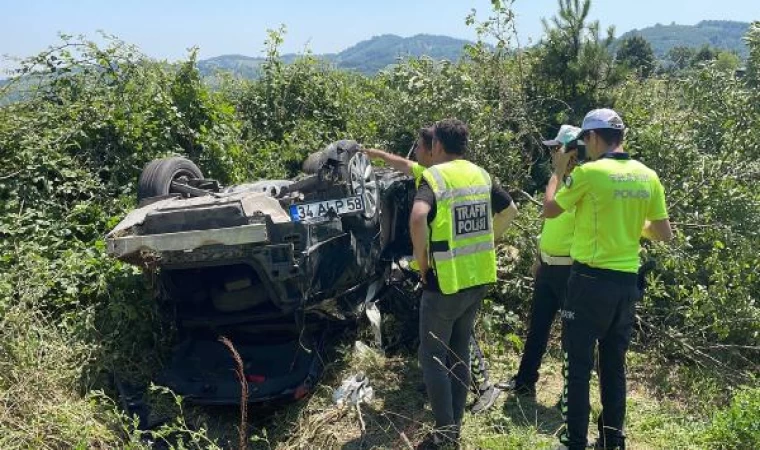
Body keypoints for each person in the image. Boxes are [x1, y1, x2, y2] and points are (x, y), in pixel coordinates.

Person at [543, 109, 673, 450]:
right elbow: (663, 233)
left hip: (588, 281)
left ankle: (574, 440)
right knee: (614, 364)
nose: (585, 146)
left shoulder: (588, 173)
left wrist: (558, 171)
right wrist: (630, 226)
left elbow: (551, 209)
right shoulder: (648, 176)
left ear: (595, 137)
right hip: (627, 284)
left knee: (579, 364)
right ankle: (613, 438)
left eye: (585, 140)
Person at [364, 127, 517, 414]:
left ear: (436, 144)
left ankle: (444, 432)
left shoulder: (435, 178)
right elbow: (510, 211)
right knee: (459, 353)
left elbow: (418, 217)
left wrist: (422, 262)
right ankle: (454, 426)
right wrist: (488, 242)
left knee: (433, 357)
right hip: (478, 277)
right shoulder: (479, 174)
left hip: (444, 281)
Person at [501, 125, 581, 399]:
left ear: (570, 152)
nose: (552, 155)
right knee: (537, 327)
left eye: (556, 149)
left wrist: (557, 173)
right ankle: (525, 382)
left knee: (573, 337)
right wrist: (539, 257)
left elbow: (551, 213)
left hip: (570, 269)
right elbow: (551, 225)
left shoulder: (581, 181)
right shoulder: (561, 180)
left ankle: (570, 395)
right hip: (549, 266)